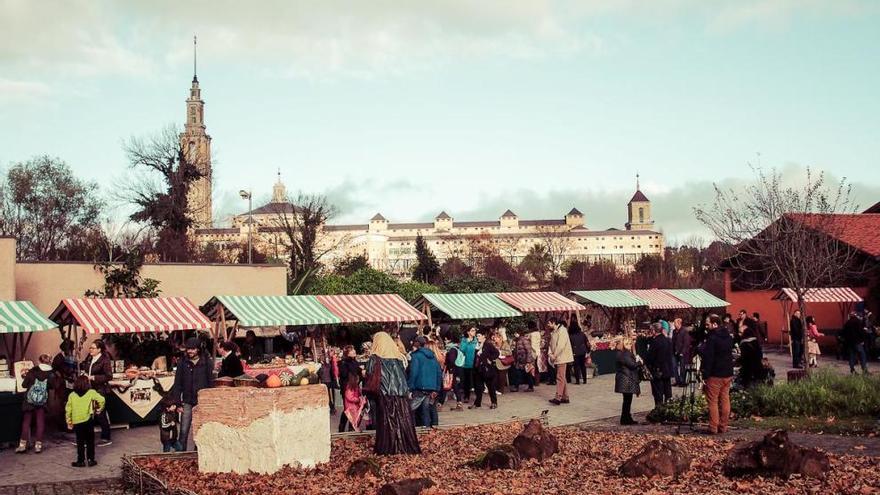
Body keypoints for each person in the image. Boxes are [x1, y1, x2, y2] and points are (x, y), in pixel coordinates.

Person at [366, 331, 420, 455]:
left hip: (384, 394)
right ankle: (405, 446)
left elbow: (370, 376)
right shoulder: (399, 358)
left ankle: (387, 448)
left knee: (386, 422)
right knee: (403, 421)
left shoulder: (374, 359)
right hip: (400, 394)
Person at [169, 337, 213, 451]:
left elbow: (210, 382)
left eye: (193, 349)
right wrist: (178, 403)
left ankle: (198, 452)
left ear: (198, 349)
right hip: (187, 400)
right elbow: (177, 384)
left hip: (202, 401)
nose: (190, 351)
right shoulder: (182, 363)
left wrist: (209, 400)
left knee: (201, 428)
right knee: (184, 429)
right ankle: (181, 453)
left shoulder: (207, 362)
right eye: (188, 349)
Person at [700, 314, 735, 435]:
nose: (706, 326)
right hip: (727, 373)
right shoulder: (728, 337)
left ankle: (713, 427)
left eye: (707, 324)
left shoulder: (712, 338)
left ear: (714, 324)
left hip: (715, 374)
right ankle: (723, 426)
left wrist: (705, 374)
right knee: (725, 399)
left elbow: (709, 358)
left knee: (713, 401)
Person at [16, 354, 54, 454]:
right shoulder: (51, 373)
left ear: (39, 361)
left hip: (29, 400)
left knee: (26, 421)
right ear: (49, 361)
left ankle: (22, 445)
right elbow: (52, 386)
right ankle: (38, 446)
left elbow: (24, 384)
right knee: (40, 421)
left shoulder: (33, 370)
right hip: (42, 401)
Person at [66, 375, 105, 467]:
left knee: (80, 442)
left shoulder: (72, 395)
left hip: (77, 421)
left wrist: (69, 421)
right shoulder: (91, 392)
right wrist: (99, 409)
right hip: (88, 420)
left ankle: (80, 461)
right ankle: (91, 460)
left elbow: (68, 409)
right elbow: (102, 399)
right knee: (90, 441)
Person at [80, 340, 113, 446]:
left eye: (93, 348)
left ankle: (106, 437)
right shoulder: (89, 358)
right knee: (88, 412)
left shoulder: (104, 360)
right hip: (89, 388)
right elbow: (86, 368)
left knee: (100, 413)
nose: (90, 350)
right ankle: (86, 436)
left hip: (99, 389)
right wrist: (84, 373)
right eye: (90, 347)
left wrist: (93, 377)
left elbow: (108, 376)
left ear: (99, 349)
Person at [408, 336, 443, 425]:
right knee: (426, 410)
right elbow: (438, 373)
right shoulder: (432, 356)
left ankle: (414, 429)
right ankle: (427, 429)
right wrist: (437, 388)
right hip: (431, 387)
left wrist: (410, 387)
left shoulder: (416, 356)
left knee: (411, 410)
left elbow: (414, 373)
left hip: (419, 387)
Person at [645, 323, 674, 408]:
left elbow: (650, 357)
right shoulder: (667, 340)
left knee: (658, 393)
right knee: (668, 392)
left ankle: (659, 411)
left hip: (658, 370)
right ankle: (669, 410)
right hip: (667, 370)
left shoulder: (655, 342)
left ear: (654, 331)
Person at [50, 340, 76, 431]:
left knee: (69, 404)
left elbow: (73, 368)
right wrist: (61, 376)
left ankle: (69, 425)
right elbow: (53, 369)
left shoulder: (70, 357)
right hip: (61, 385)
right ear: (65, 348)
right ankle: (63, 426)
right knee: (63, 405)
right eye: (71, 348)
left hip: (69, 383)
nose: (72, 350)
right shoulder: (59, 357)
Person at [547, 317, 573, 405]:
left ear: (554, 323)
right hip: (558, 357)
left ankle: (558, 397)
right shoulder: (554, 331)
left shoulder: (562, 331)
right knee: (562, 377)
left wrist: (554, 355)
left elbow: (561, 345)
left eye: (549, 323)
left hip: (562, 357)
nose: (548, 325)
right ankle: (565, 397)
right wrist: (550, 354)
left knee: (560, 377)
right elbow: (551, 344)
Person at [337, 345, 364, 431]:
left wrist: (361, 371)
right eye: (352, 351)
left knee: (353, 409)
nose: (354, 351)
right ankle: (342, 427)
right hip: (347, 388)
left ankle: (351, 427)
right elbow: (344, 375)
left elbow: (358, 371)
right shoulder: (343, 363)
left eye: (354, 350)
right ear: (347, 354)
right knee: (347, 409)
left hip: (354, 387)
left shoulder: (354, 361)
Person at [614, 337, 640, 426]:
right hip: (626, 379)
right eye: (629, 344)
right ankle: (625, 418)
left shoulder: (623, 354)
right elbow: (632, 365)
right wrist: (639, 362)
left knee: (627, 400)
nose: (631, 345)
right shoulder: (625, 354)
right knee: (627, 400)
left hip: (625, 378)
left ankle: (626, 417)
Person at [471, 330, 500, 409]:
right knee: (478, 387)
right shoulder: (476, 345)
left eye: (479, 336)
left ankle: (494, 402)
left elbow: (496, 353)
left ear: (484, 336)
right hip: (478, 369)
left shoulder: (488, 344)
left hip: (487, 369)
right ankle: (477, 403)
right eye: (477, 336)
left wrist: (490, 359)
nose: (477, 338)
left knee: (491, 387)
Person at [738, 318, 764, 387]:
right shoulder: (755, 339)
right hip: (758, 369)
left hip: (748, 371)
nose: (739, 333)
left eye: (740, 332)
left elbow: (744, 358)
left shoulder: (745, 343)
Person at [443, 337, 465, 411]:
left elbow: (452, 361)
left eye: (446, 340)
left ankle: (440, 404)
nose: (445, 341)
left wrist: (450, 370)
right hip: (456, 370)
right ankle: (459, 404)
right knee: (454, 387)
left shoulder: (452, 350)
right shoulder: (456, 349)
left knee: (445, 386)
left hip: (451, 371)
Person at [458, 326, 478, 403]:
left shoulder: (476, 340)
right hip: (466, 363)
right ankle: (466, 396)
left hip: (475, 363)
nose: (474, 332)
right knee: (467, 381)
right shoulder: (464, 340)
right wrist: (467, 342)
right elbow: (462, 349)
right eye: (472, 330)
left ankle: (477, 396)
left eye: (474, 330)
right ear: (468, 332)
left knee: (476, 380)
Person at [672, 318, 691, 387]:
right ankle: (677, 381)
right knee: (674, 367)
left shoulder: (684, 331)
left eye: (675, 323)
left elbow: (686, 343)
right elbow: (673, 341)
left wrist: (682, 352)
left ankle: (682, 381)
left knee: (682, 367)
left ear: (679, 323)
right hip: (675, 352)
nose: (674, 324)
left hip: (682, 352)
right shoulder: (674, 331)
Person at [568, 320, 589, 385]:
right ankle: (584, 380)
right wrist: (588, 350)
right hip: (583, 351)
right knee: (583, 366)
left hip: (575, 352)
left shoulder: (571, 336)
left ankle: (577, 381)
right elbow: (587, 343)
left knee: (576, 366)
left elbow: (570, 345)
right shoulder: (582, 334)